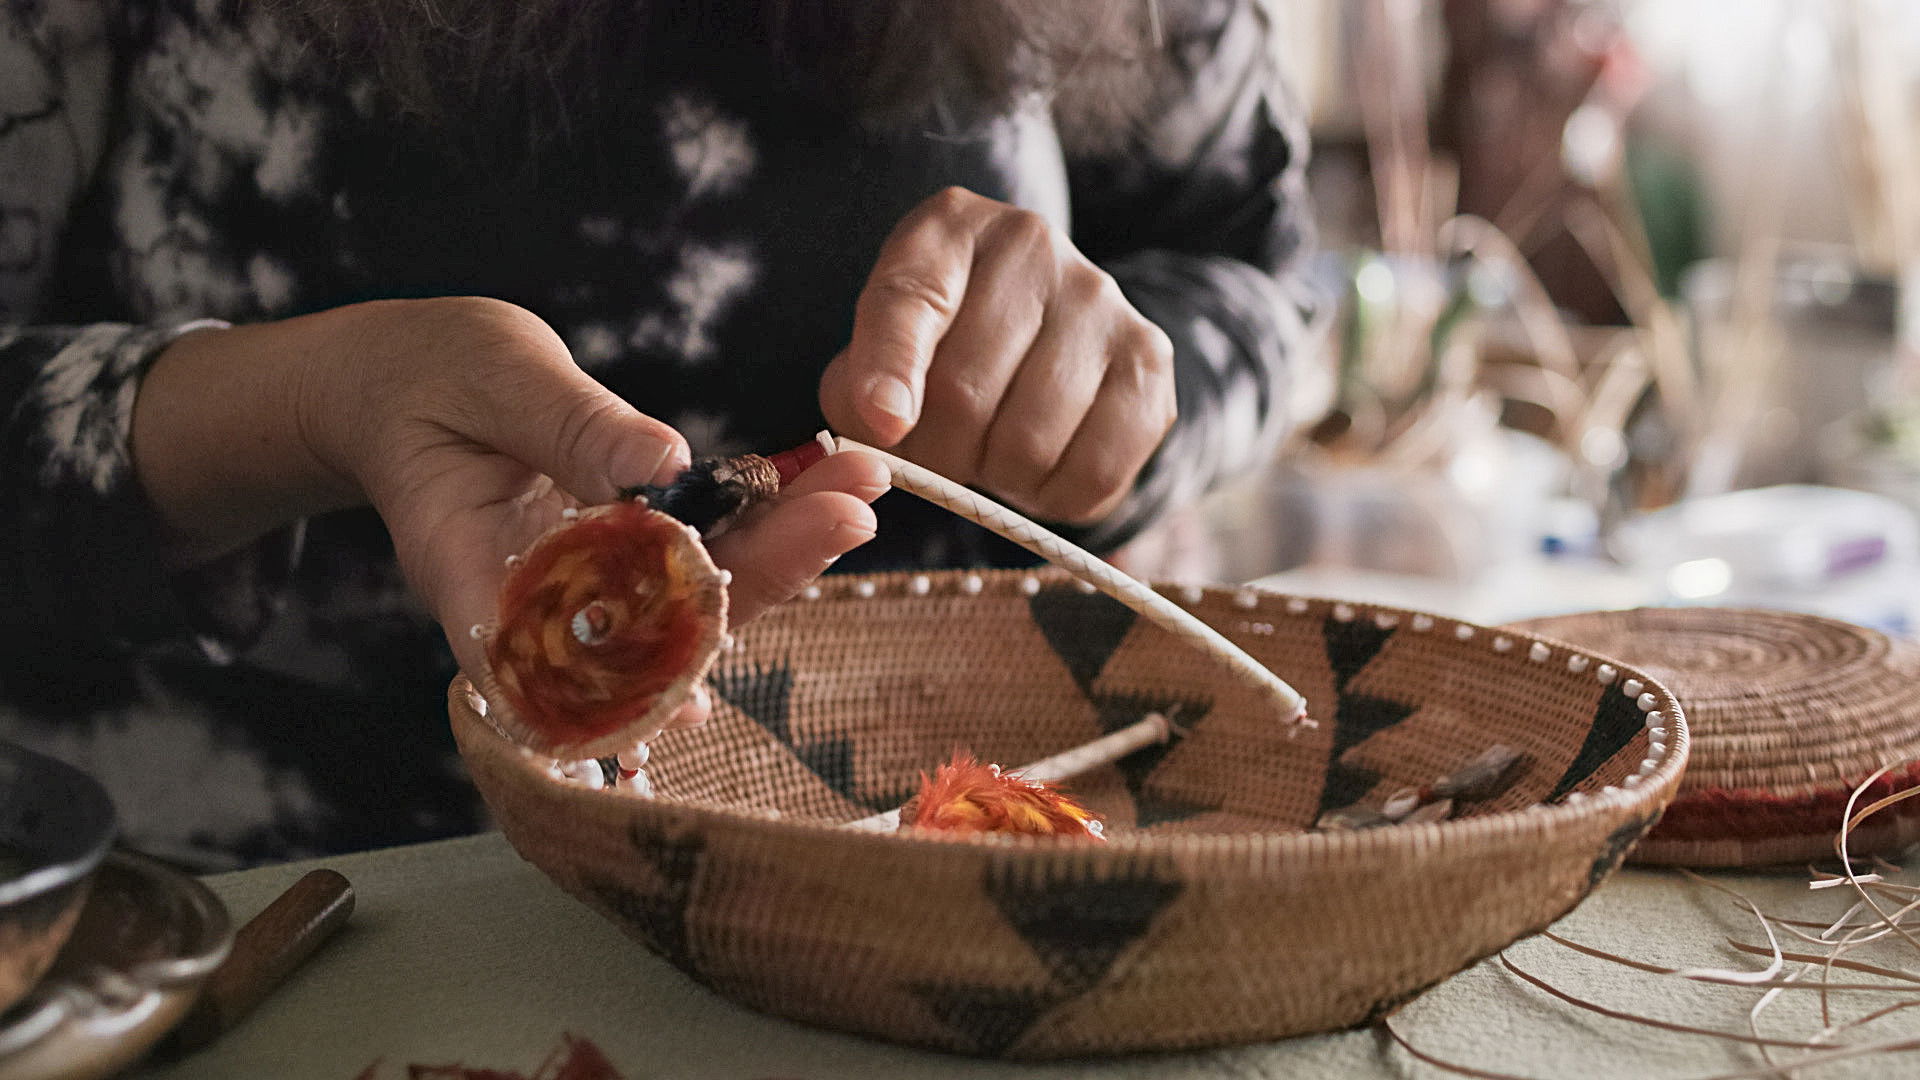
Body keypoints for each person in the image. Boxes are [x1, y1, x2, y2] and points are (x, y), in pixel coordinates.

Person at [0, 0, 1318, 869]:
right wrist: (303, 409)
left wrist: (1112, 404)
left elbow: (1260, 271)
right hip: (274, 901)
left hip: (952, 869)